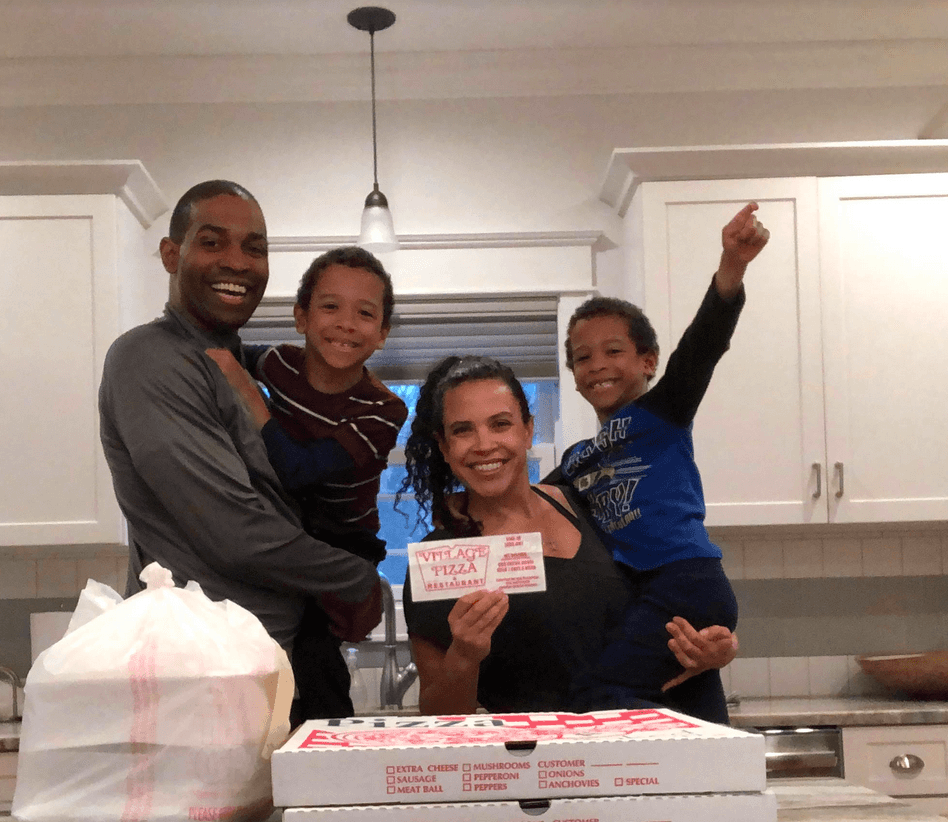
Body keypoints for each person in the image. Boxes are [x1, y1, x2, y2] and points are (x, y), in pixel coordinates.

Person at [99, 180, 383, 654]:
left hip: (254, 661)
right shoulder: (149, 358)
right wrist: (357, 579)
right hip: (196, 668)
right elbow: (235, 533)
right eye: (211, 243)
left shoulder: (239, 366)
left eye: (255, 249)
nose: (237, 262)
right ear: (172, 255)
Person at [399, 355, 738, 719]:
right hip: (559, 765)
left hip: (674, 739)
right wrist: (464, 655)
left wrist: (716, 648)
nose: (484, 444)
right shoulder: (441, 563)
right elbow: (437, 716)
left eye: (500, 424)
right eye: (462, 430)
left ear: (528, 430)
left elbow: (665, 587)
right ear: (445, 447)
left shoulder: (588, 499)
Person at [552, 202, 769, 720]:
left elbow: (702, 348)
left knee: (594, 700)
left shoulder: (661, 413)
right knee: (682, 704)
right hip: (640, 596)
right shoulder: (578, 462)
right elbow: (528, 503)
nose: (597, 365)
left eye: (613, 351)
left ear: (647, 362)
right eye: (582, 358)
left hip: (685, 581)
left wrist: (731, 267)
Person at [204, 246, 408, 721]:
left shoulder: (382, 411)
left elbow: (301, 469)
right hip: (284, 520)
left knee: (316, 651)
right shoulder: (280, 364)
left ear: (381, 334)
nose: (345, 323)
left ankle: (326, 745)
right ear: (300, 317)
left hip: (343, 538)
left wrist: (248, 393)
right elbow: (224, 355)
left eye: (365, 313)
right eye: (330, 306)